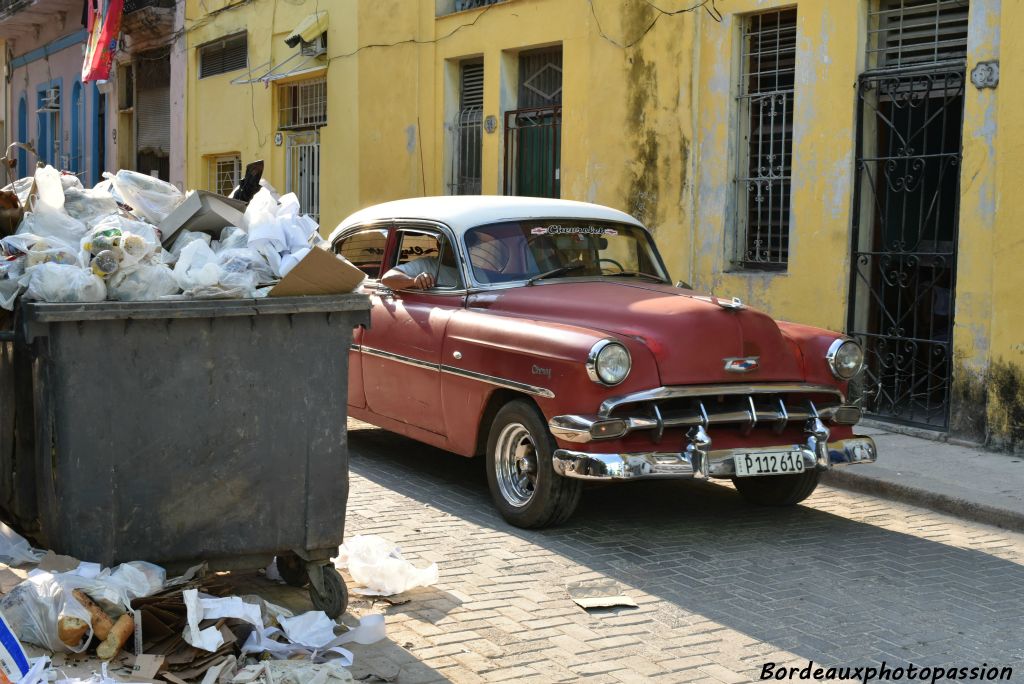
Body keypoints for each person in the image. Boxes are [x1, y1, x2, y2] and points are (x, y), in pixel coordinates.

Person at [381, 241, 460, 290]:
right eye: (451, 245)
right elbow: (386, 279)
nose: (458, 251)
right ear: (439, 246)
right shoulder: (425, 264)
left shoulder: (470, 270)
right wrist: (414, 281)